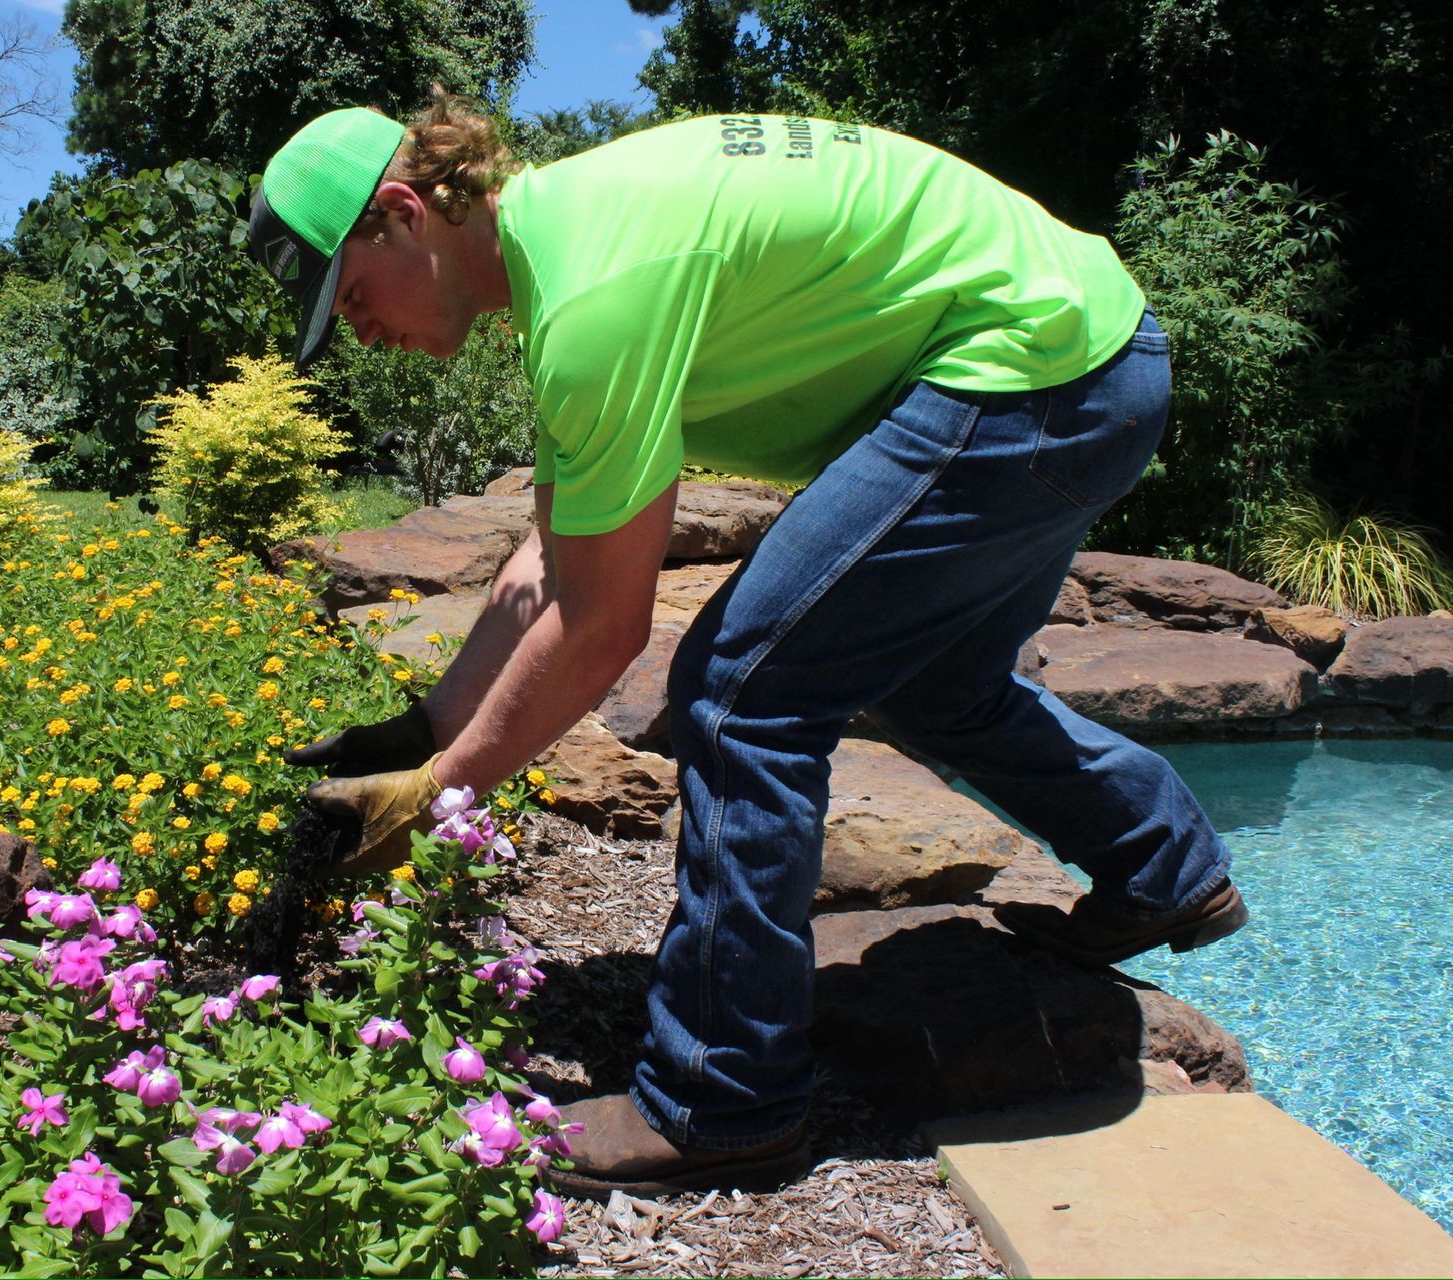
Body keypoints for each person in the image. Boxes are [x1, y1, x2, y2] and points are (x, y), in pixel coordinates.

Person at [246, 94, 1249, 1200]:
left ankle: (723, 1100)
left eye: (350, 297)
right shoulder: (570, 245)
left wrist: (436, 794)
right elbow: (545, 563)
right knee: (934, 677)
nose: (358, 332)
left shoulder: (594, 297)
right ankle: (1162, 862)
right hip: (1094, 352)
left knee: (741, 692)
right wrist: (425, 730)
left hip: (1032, 372)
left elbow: (602, 630)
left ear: (400, 214)